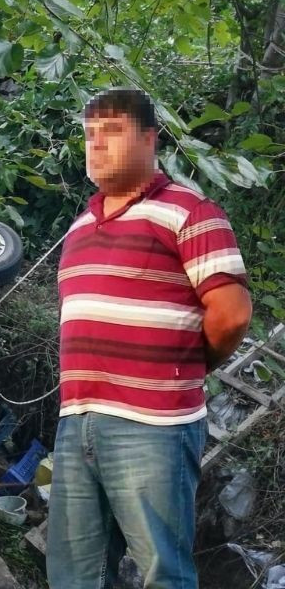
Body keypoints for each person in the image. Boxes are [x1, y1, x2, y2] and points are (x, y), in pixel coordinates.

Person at [48, 88, 253, 589]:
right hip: (78, 421)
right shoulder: (78, 228)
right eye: (90, 135)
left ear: (149, 139)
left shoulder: (190, 212)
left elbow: (231, 315)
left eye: (112, 133)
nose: (97, 145)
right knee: (74, 574)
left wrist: (181, 366)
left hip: (153, 425)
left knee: (162, 571)